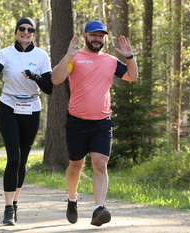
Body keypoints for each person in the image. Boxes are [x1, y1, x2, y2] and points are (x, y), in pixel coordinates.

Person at [50, 20, 138, 227]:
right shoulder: (75, 58)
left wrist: (129, 56)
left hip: (102, 123)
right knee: (75, 166)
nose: (97, 39)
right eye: (93, 35)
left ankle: (99, 209)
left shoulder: (110, 61)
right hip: (76, 123)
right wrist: (68, 56)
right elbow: (55, 79)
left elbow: (133, 76)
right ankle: (72, 200)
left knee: (100, 164)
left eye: (101, 36)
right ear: (85, 36)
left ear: (104, 38)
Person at [0, 17, 53, 226]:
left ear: (33, 33)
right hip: (8, 108)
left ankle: (15, 204)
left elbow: (49, 88)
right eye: (22, 29)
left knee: (22, 160)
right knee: (13, 157)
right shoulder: (5, 53)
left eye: (30, 29)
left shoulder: (41, 55)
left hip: (31, 109)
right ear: (16, 31)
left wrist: (35, 77)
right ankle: (7, 209)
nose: (26, 32)